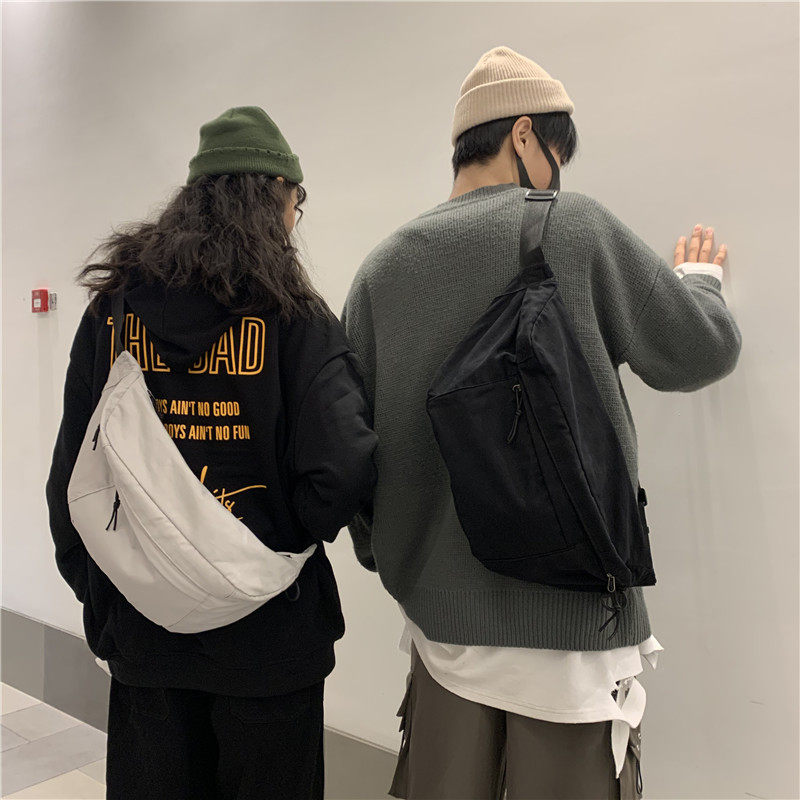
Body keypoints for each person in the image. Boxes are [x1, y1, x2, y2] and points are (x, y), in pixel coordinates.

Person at [341, 46, 741, 799]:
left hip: (441, 632)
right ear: (523, 135)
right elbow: (698, 352)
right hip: (571, 640)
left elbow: (354, 451)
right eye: (558, 156)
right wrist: (701, 284)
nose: (557, 176)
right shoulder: (573, 227)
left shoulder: (380, 270)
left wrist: (396, 553)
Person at [46, 106, 377, 800]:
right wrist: (277, 545)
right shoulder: (295, 320)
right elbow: (343, 467)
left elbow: (72, 477)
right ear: (273, 199)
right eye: (296, 202)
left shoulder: (113, 313)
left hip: (145, 640)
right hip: (271, 644)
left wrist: (109, 593)